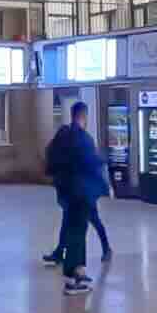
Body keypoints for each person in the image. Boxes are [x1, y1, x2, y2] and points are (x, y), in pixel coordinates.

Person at [45, 101, 108, 296]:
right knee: (77, 234)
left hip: (66, 192)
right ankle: (72, 279)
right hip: (81, 193)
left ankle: (79, 271)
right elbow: (92, 163)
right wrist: (105, 180)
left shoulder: (62, 135)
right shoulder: (84, 139)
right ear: (84, 116)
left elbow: (49, 156)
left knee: (74, 230)